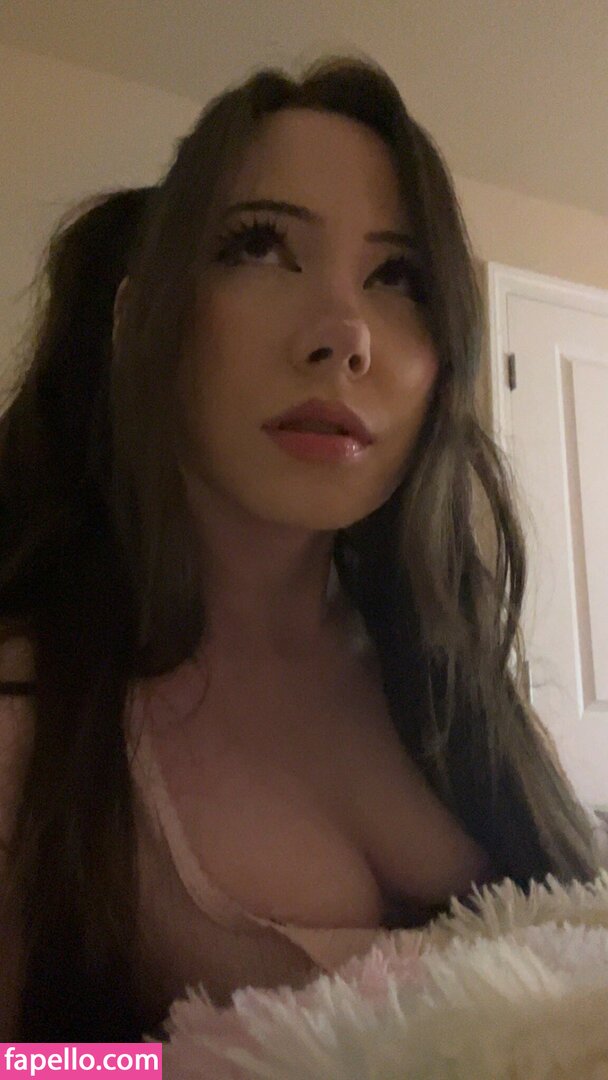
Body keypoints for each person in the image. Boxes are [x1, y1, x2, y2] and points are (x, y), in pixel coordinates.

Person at [1, 54, 605, 1043]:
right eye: (259, 247)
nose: (345, 334)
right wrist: (188, 1067)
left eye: (397, 277)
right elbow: (26, 1066)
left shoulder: (473, 697)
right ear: (138, 317)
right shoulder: (38, 723)